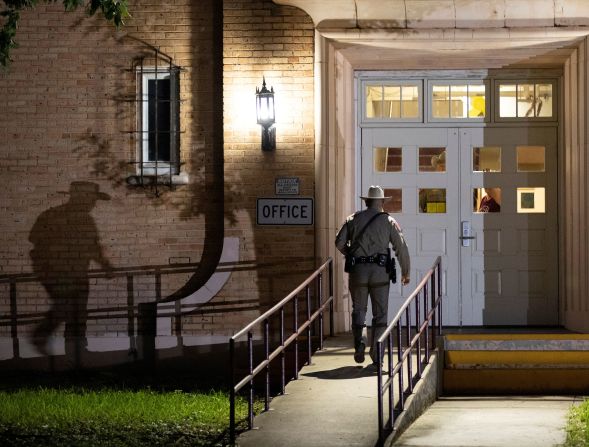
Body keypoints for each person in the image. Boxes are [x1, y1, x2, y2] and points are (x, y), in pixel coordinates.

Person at [29, 181, 113, 363]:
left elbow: (93, 248)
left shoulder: (58, 216)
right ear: (82, 199)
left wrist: (104, 264)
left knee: (77, 311)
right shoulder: (59, 217)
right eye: (92, 199)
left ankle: (75, 352)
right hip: (58, 272)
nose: (93, 204)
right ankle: (46, 337)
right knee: (68, 307)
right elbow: (36, 240)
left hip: (74, 273)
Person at [335, 186, 410, 366]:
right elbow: (401, 247)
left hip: (358, 273)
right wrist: (406, 271)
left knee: (359, 310)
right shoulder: (389, 221)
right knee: (380, 315)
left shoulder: (353, 219)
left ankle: (359, 344)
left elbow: (339, 242)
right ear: (382, 202)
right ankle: (377, 355)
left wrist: (351, 253)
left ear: (366, 201)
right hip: (380, 273)